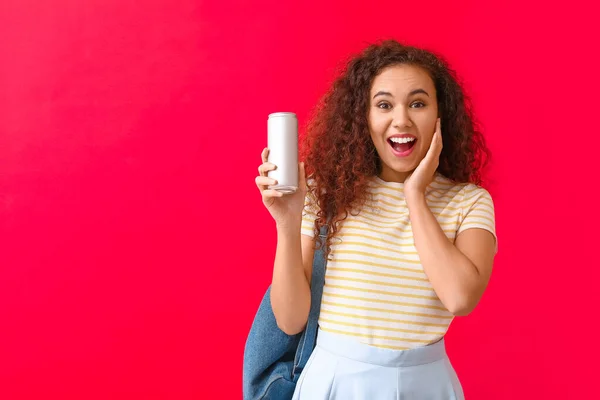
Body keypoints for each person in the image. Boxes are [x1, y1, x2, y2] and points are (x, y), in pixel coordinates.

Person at [254, 40, 497, 399]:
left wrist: (415, 196)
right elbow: (290, 321)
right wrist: (287, 224)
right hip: (334, 383)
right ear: (363, 118)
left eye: (418, 103)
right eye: (384, 105)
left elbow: (460, 298)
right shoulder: (327, 193)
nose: (401, 119)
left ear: (440, 114)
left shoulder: (469, 201)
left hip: (426, 385)